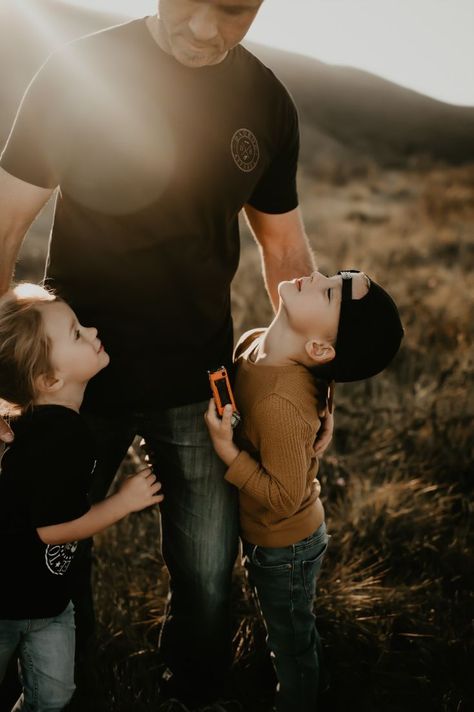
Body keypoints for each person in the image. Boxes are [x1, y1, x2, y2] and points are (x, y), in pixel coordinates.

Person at [0, 0, 334, 703]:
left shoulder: (265, 101)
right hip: (71, 382)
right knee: (51, 547)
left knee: (210, 567)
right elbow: (4, 226)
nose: (207, 30)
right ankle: (64, 681)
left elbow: (283, 249)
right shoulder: (78, 72)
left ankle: (196, 686)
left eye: (235, 10)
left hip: (199, 377)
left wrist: (314, 379)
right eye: (190, 2)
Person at [205, 269, 404, 711]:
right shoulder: (259, 342)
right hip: (266, 536)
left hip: (285, 545)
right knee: (283, 620)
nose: (315, 274)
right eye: (332, 276)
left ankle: (300, 696)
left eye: (329, 290)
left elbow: (284, 497)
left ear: (319, 347)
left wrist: (227, 452)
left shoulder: (281, 403)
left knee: (291, 640)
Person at [0, 284, 163, 712]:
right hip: (8, 601)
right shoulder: (58, 441)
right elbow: (52, 531)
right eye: (76, 333)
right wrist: (122, 503)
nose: (92, 330)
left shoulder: (50, 424)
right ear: (50, 379)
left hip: (49, 601)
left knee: (54, 694)